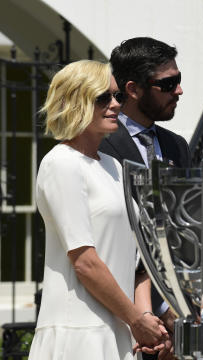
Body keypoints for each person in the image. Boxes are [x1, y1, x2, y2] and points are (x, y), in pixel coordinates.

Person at [29, 60, 167, 360]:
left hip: (119, 334)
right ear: (75, 101)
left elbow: (136, 263)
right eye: (103, 97)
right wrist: (135, 319)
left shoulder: (113, 166)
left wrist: (148, 324)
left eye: (117, 96)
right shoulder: (61, 163)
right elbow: (85, 262)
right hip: (78, 334)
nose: (116, 104)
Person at [99, 37, 190, 359]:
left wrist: (178, 307)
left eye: (178, 81)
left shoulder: (177, 146)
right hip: (118, 316)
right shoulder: (98, 145)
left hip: (175, 321)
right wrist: (152, 310)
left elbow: (184, 232)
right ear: (133, 89)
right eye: (168, 84)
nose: (178, 91)